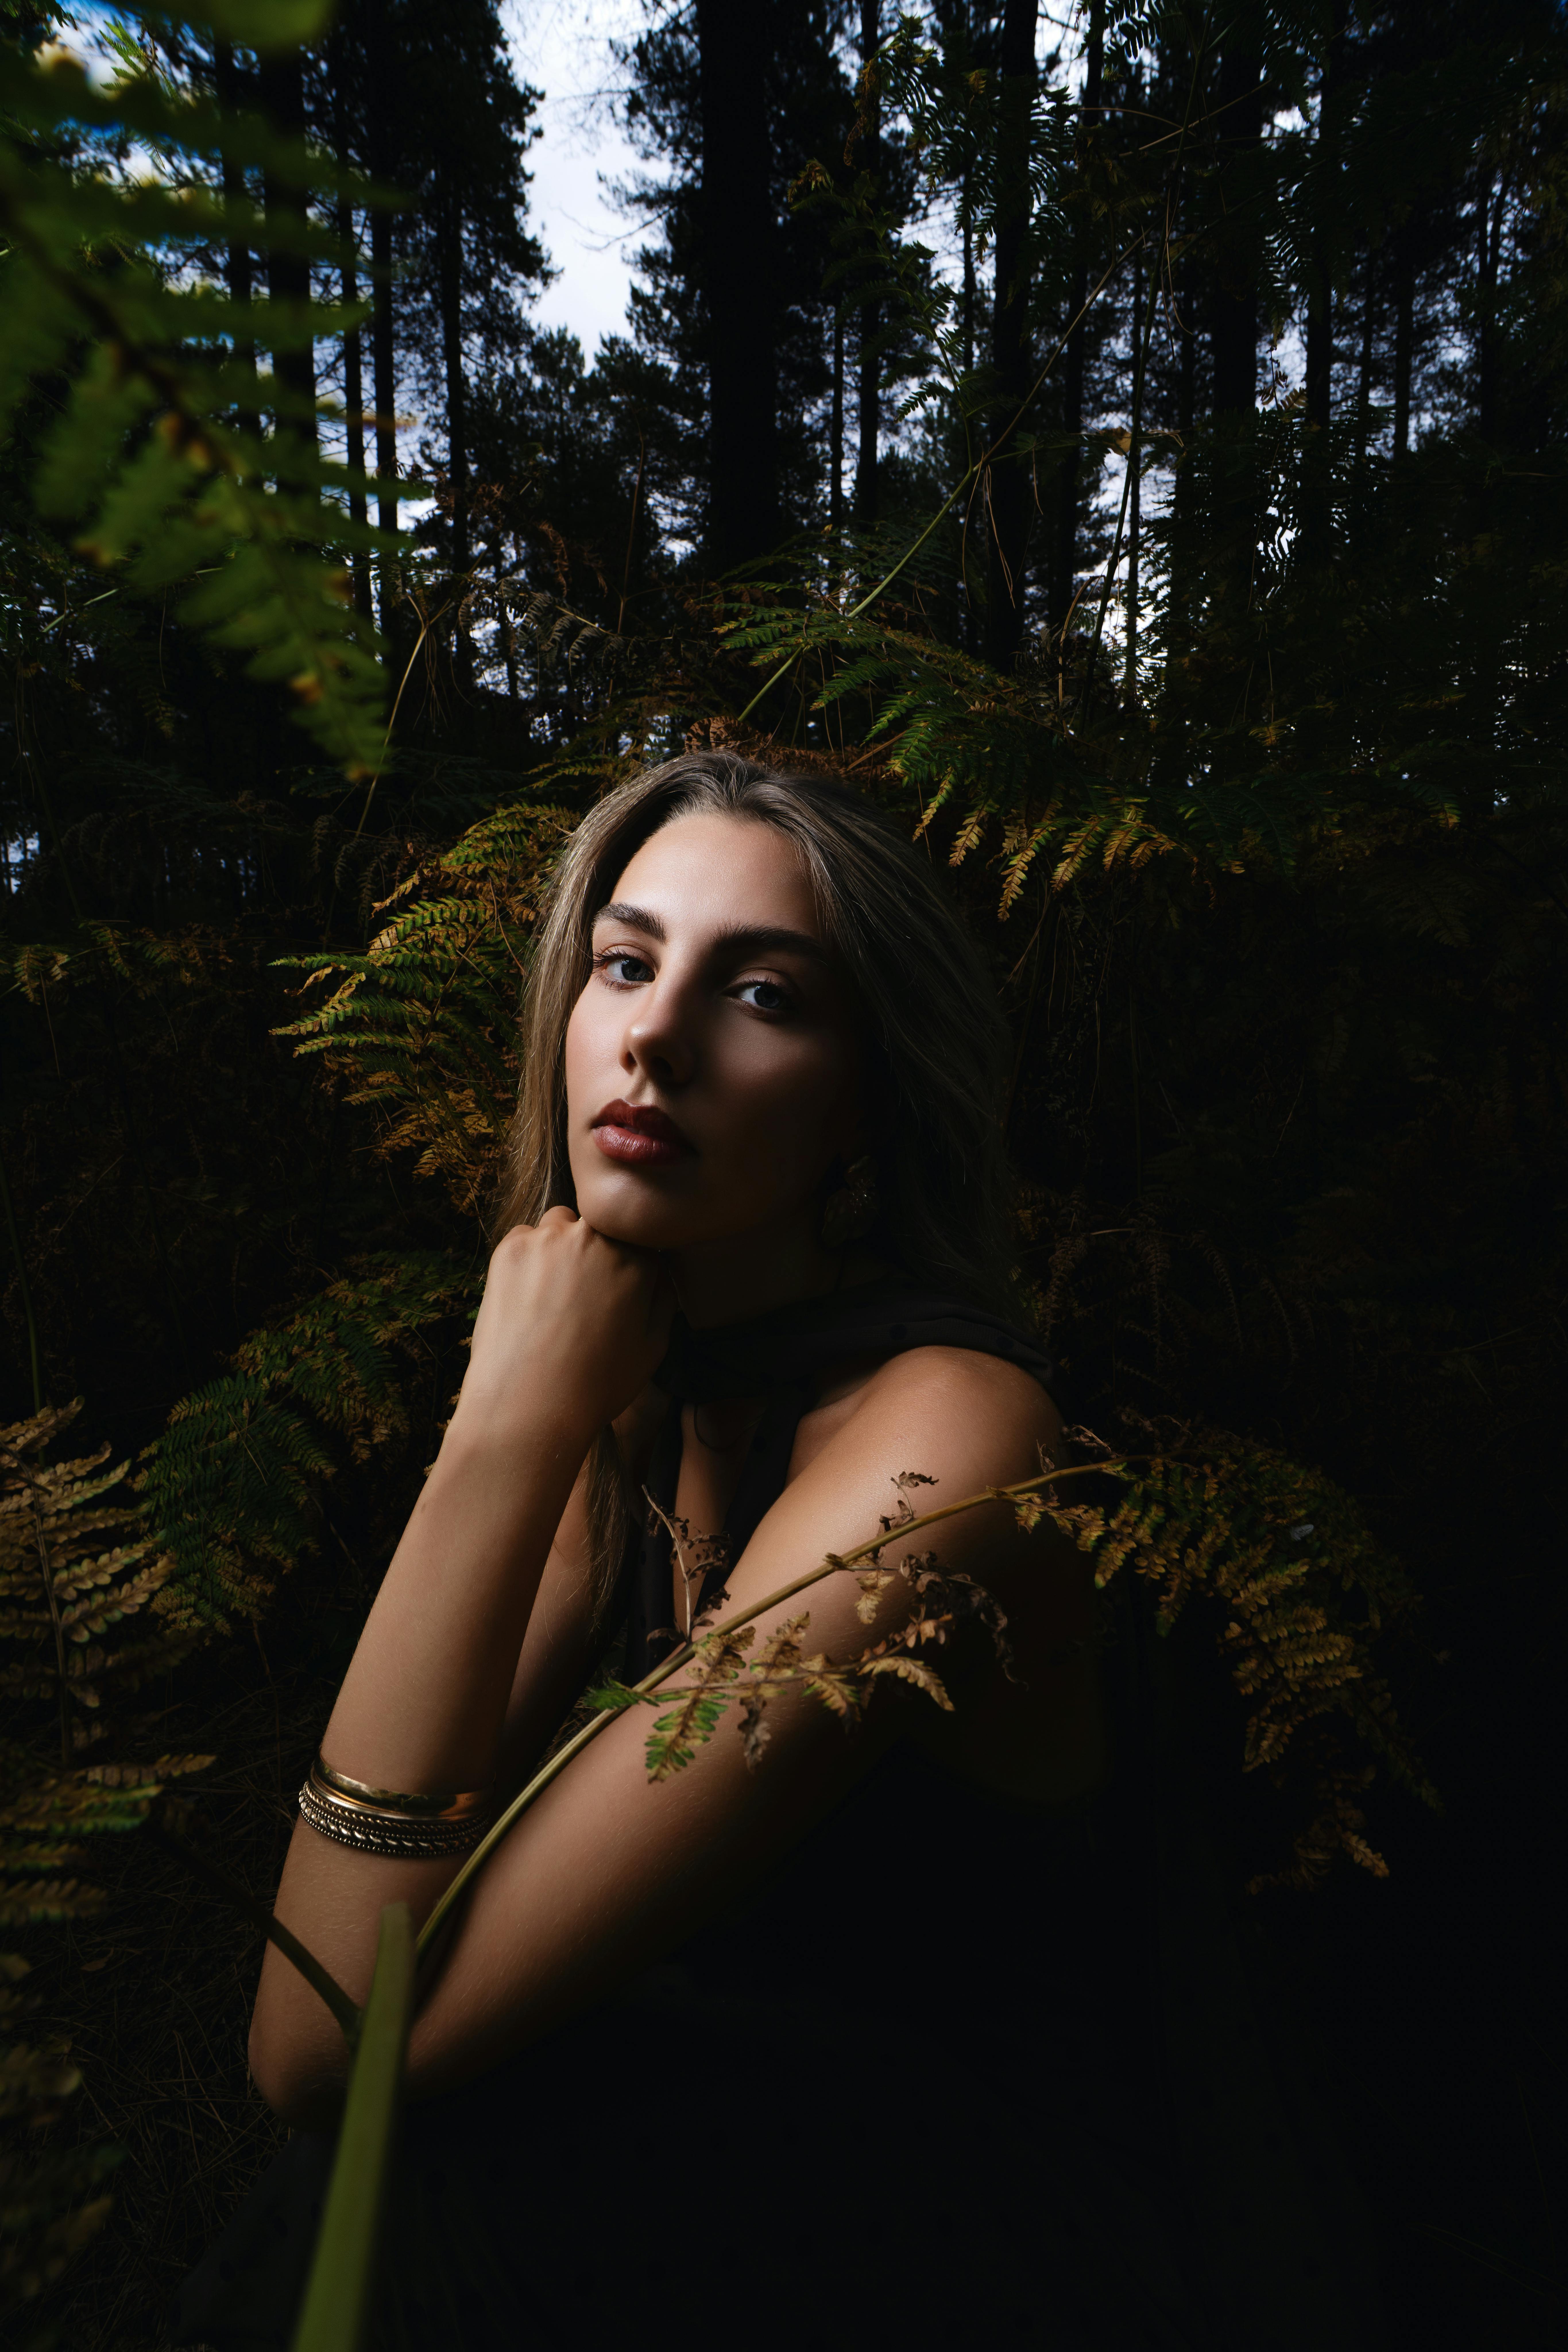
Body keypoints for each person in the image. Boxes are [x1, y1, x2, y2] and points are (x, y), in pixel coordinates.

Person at [172, 753, 1380, 2351]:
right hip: (692, 2194)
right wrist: (534, 1426)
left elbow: (322, 2047)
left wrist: (495, 1437)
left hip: (954, 2251)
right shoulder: (630, 1400)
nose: (654, 1036)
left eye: (758, 993)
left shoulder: (951, 1435)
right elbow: (339, 1996)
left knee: (403, 2202)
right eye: (623, 963)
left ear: (866, 1093)